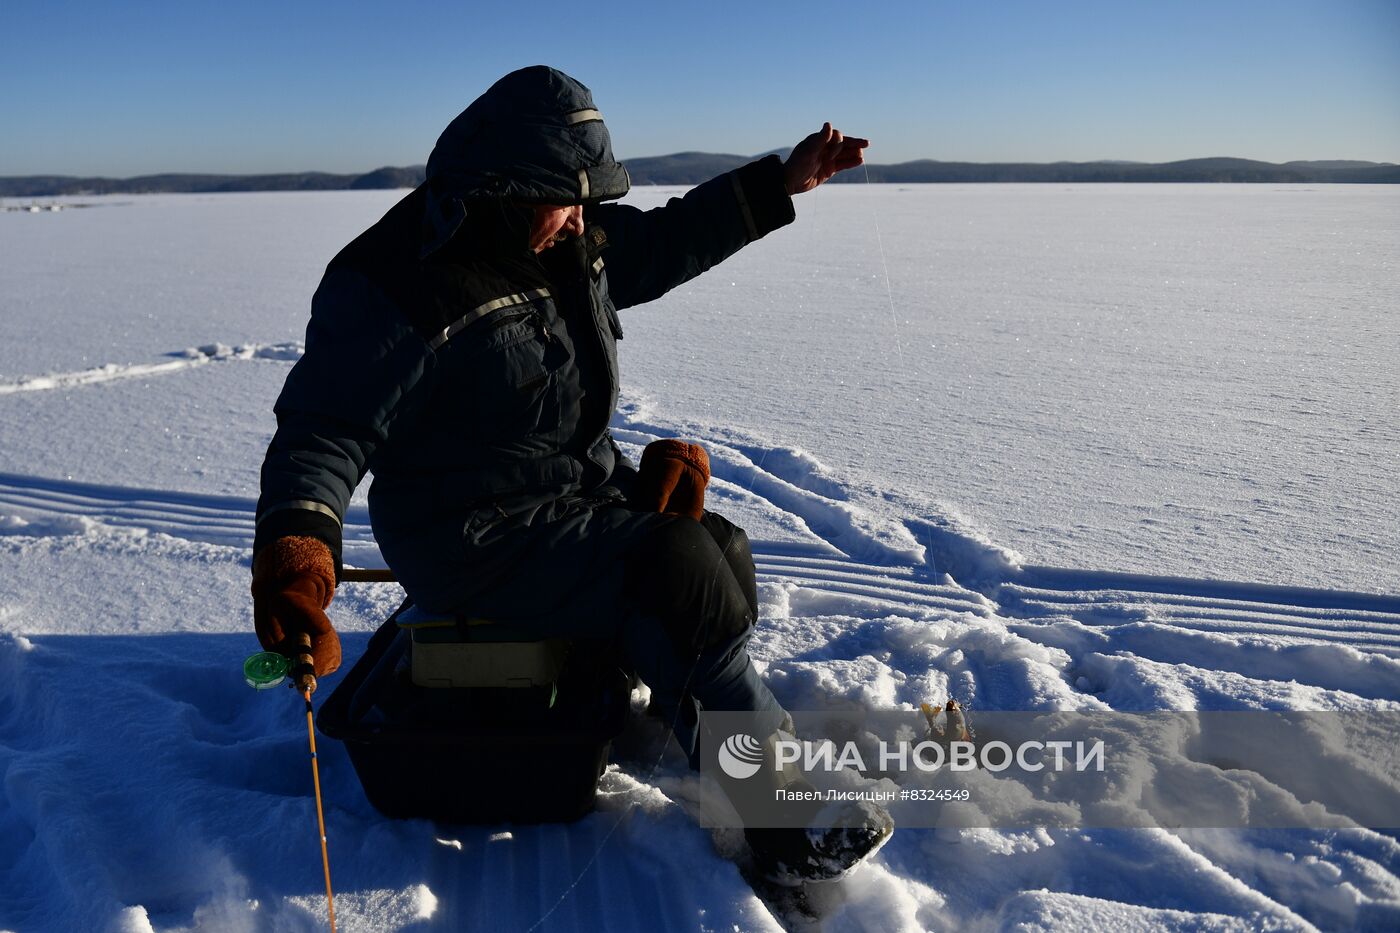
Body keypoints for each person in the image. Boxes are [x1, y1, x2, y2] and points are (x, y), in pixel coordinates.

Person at [250, 66, 886, 881]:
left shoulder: (557, 235)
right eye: (567, 201)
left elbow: (661, 242)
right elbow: (321, 432)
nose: (583, 220)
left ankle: (689, 699)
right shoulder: (394, 285)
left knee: (717, 545)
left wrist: (779, 182)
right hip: (468, 532)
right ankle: (774, 813)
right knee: (676, 569)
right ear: (503, 189)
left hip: (556, 491)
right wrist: (297, 559)